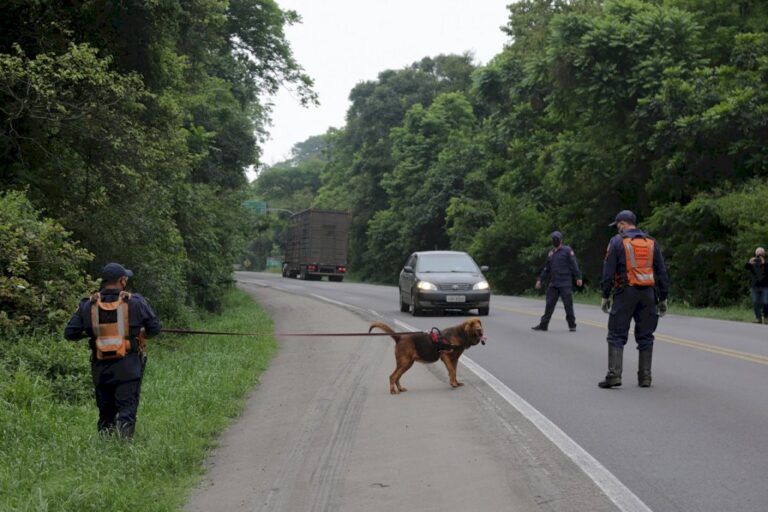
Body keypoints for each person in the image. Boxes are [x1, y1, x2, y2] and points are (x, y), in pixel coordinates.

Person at [64, 263, 161, 438]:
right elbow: (155, 328)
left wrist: (93, 334)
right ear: (122, 280)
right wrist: (141, 333)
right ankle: (124, 450)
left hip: (101, 368)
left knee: (105, 414)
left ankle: (106, 446)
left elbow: (70, 333)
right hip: (128, 367)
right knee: (126, 411)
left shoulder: (88, 304)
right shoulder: (135, 301)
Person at [598, 211, 669, 389]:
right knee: (646, 335)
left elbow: (608, 272)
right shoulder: (651, 242)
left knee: (616, 333)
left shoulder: (616, 241)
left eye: (618, 226)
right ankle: (645, 377)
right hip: (648, 294)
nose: (618, 229)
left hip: (625, 293)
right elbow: (661, 272)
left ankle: (614, 375)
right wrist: (663, 297)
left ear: (622, 224)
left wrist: (605, 295)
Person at [531, 231, 583, 332]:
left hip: (565, 282)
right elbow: (546, 269)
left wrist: (578, 277)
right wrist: (540, 280)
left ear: (561, 240)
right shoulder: (551, 253)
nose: (555, 240)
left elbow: (574, 264)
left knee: (568, 305)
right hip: (554, 283)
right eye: (553, 239)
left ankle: (572, 325)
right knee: (549, 304)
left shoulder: (567, 250)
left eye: (556, 239)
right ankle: (543, 325)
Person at [745, 247, 768, 323]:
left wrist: (763, 263)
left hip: (765, 286)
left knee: (766, 302)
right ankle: (758, 318)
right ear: (755, 254)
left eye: (761, 254)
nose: (759, 256)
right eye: (758, 254)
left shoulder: (766, 263)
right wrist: (750, 261)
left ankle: (766, 317)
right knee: (755, 303)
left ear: (764, 254)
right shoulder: (753, 264)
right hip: (755, 286)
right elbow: (746, 267)